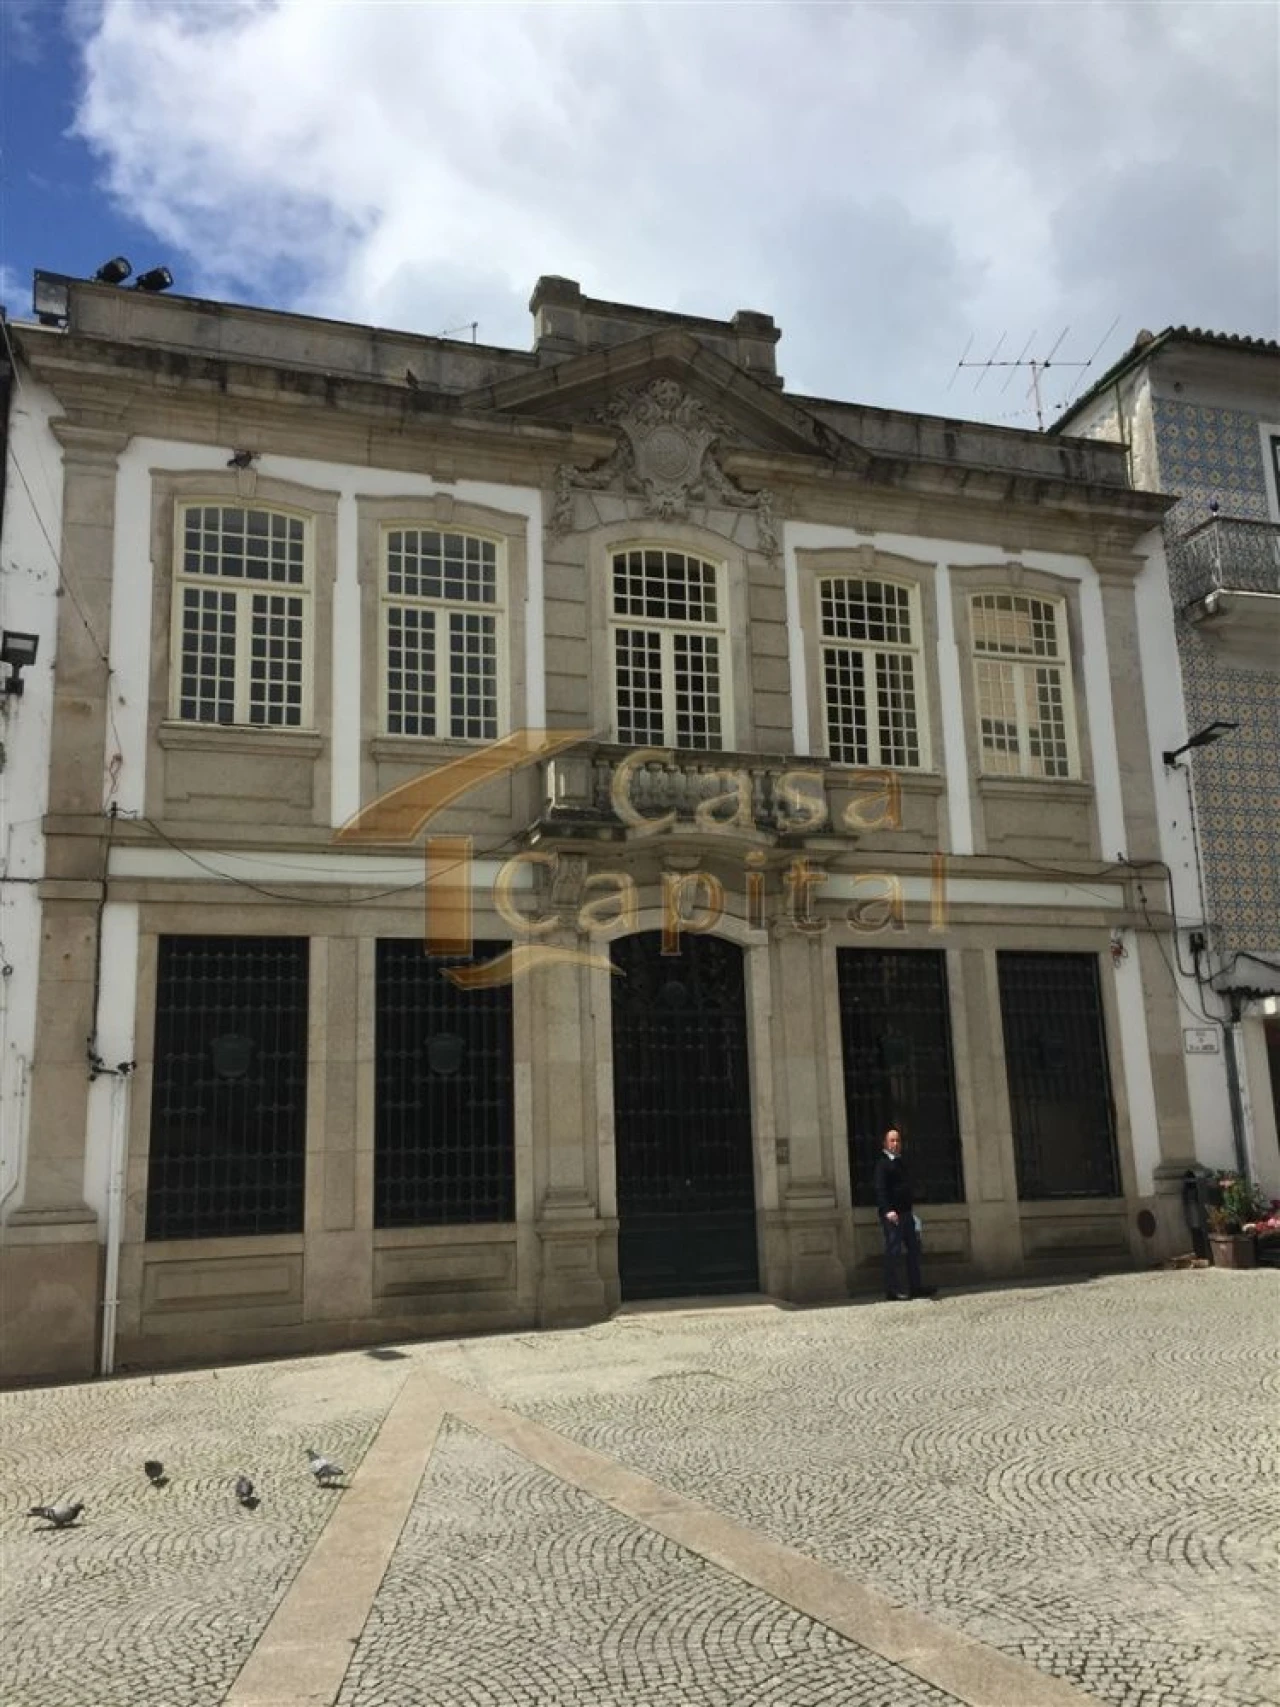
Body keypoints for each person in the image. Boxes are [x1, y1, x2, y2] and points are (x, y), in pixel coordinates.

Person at [873, 1127, 935, 1301]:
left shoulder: (901, 1162)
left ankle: (916, 1286)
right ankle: (892, 1289)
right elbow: (880, 1189)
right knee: (893, 1252)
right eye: (892, 1140)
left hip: (907, 1214)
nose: (896, 1144)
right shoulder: (882, 1164)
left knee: (914, 1250)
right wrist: (887, 1210)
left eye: (898, 1140)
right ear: (885, 1144)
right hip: (894, 1216)